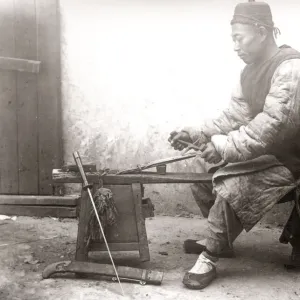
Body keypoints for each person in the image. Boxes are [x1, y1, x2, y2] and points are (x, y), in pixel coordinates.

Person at [168, 1, 300, 290]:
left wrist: (223, 147)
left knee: (233, 185)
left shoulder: (291, 68)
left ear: (262, 31)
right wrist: (199, 133)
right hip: (267, 154)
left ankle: (210, 256)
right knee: (201, 169)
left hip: (292, 160)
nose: (235, 46)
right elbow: (235, 116)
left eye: (239, 38)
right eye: (233, 39)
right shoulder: (250, 71)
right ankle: (222, 240)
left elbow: (271, 125)